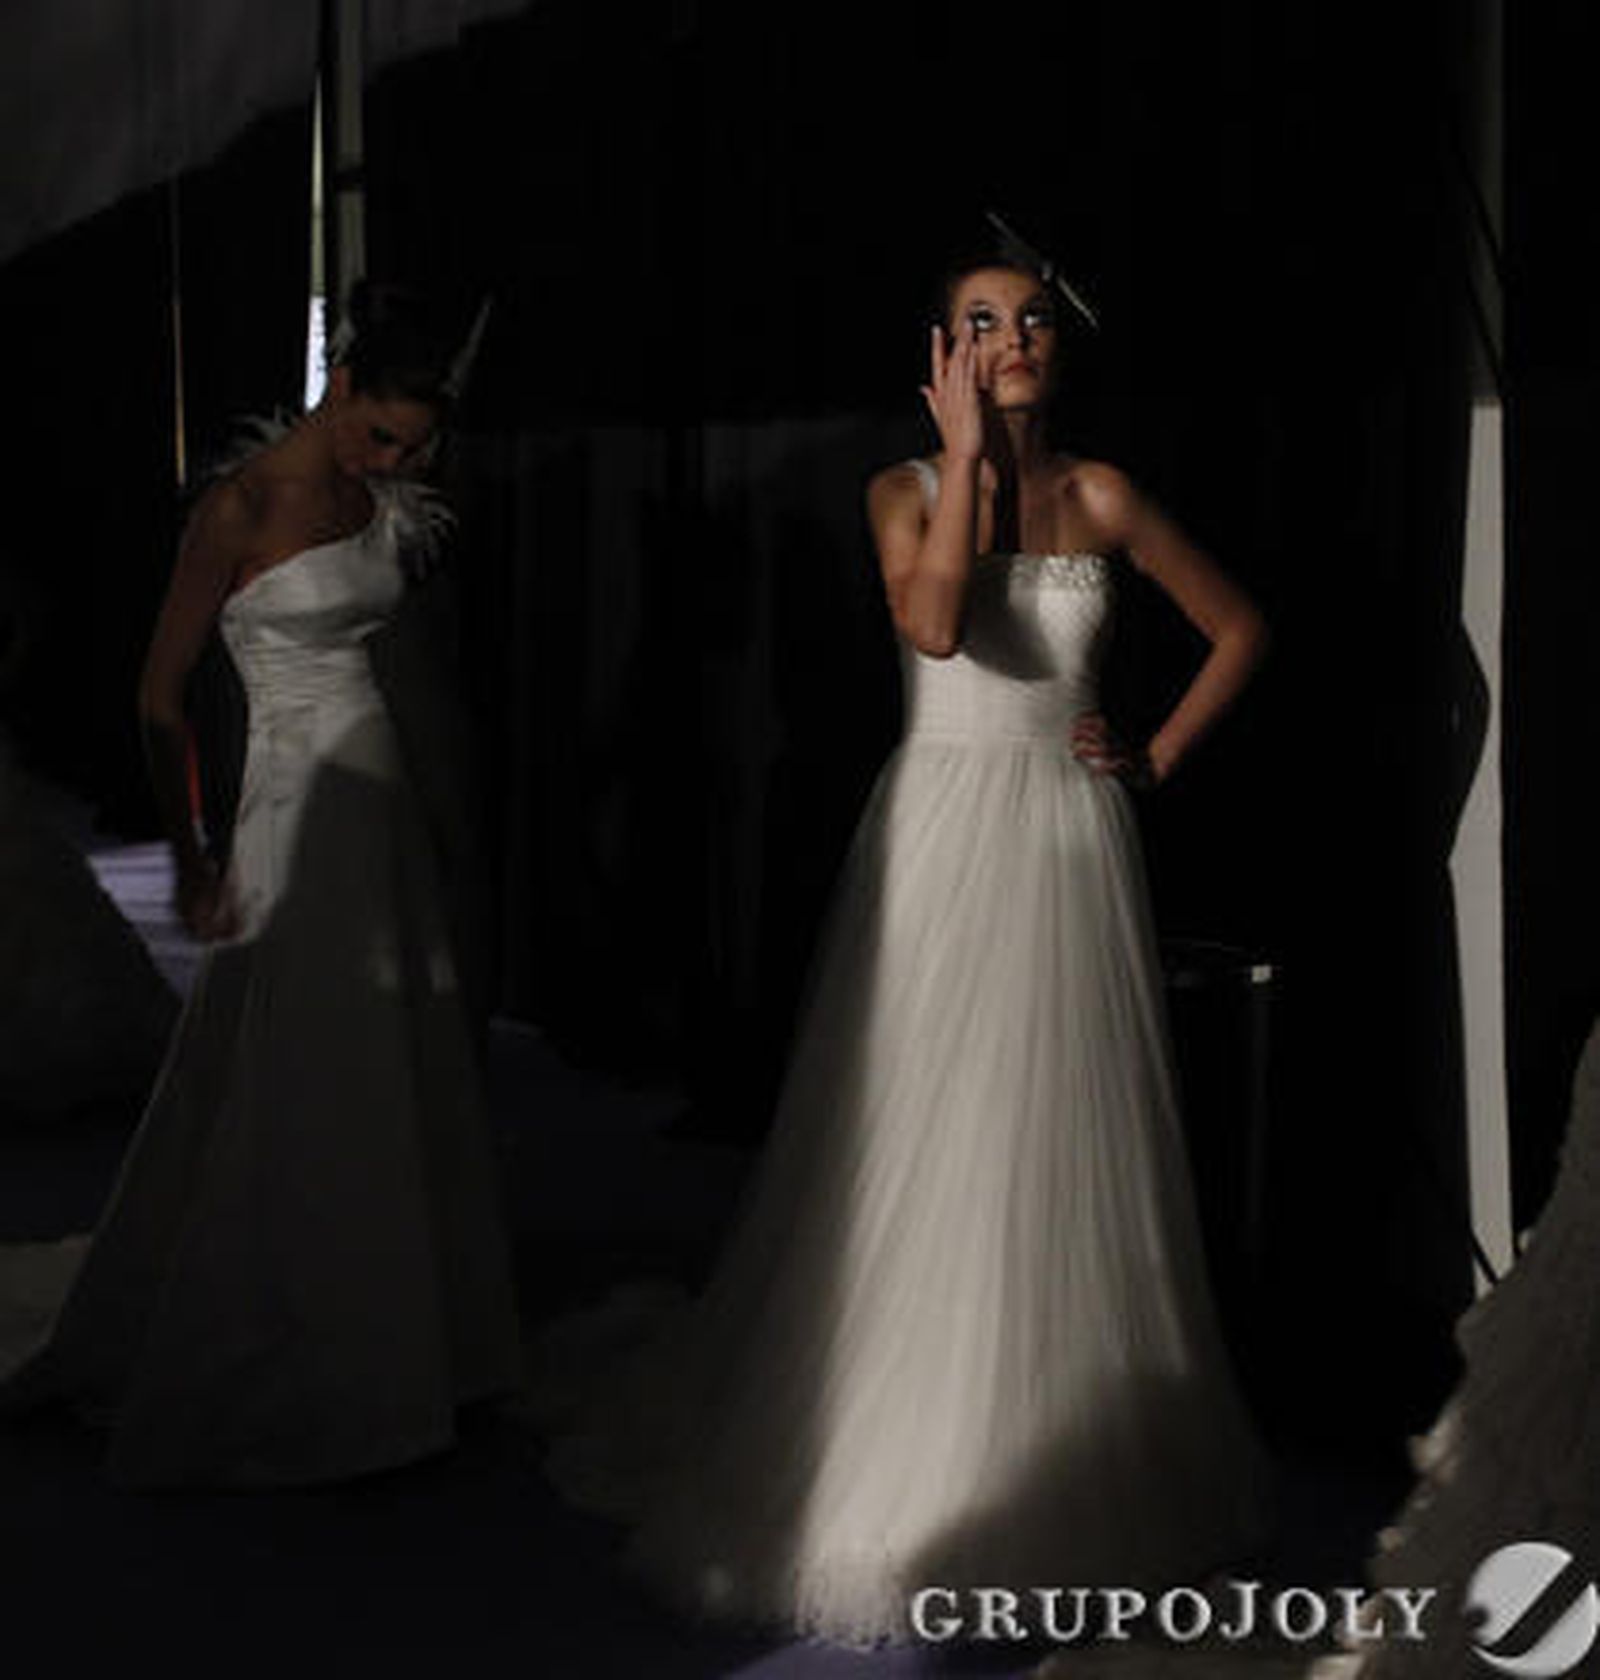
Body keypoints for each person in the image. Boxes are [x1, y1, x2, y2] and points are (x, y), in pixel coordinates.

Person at [536, 246, 1273, 1645]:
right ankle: (914, 1436)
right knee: (927, 1128)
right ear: (940, 352)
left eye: (1033, 320)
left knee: (1057, 1137)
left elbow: (1240, 627)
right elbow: (936, 628)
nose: (1013, 341)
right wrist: (959, 461)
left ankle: (1053, 1437)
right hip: (941, 835)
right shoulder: (902, 490)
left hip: (1069, 839)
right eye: (981, 323)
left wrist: (1154, 759)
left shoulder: (1104, 493)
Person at [0, 281, 522, 1487]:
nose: (397, 458)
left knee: (400, 1050)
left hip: (381, 795)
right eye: (382, 432)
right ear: (337, 390)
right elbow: (156, 696)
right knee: (301, 1060)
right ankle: (304, 1329)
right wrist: (188, 852)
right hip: (290, 807)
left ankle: (413, 1331)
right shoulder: (238, 506)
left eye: (416, 442)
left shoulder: (379, 492)